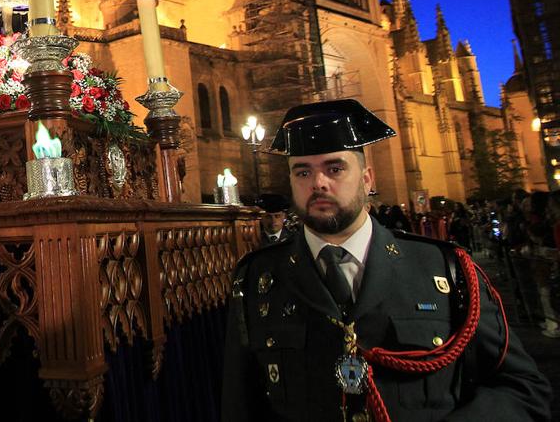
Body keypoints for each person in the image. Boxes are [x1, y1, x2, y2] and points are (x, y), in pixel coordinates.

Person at [222, 98, 551, 421]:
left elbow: (522, 388)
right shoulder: (258, 278)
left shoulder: (445, 269)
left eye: (335, 169)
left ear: (367, 180)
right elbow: (240, 403)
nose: (318, 183)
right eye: (303, 172)